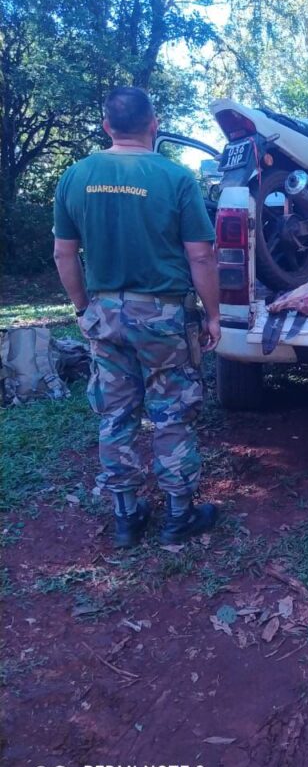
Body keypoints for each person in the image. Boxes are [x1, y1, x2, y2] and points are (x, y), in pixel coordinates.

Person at [53, 87, 221, 546]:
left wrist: (83, 307)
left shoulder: (76, 176)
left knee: (115, 415)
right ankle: (178, 518)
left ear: (107, 126)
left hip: (104, 314)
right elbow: (201, 256)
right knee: (171, 414)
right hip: (163, 317)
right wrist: (212, 315)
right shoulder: (175, 177)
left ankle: (126, 518)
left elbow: (64, 253)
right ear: (154, 124)